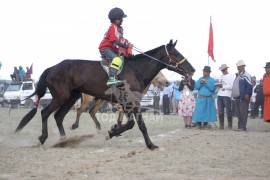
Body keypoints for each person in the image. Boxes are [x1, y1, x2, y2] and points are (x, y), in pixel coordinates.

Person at [98, 7, 133, 86]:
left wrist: (128, 45)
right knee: (117, 59)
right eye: (122, 18)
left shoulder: (118, 29)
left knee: (121, 59)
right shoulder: (113, 27)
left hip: (111, 49)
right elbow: (116, 41)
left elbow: (121, 40)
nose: (123, 20)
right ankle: (111, 78)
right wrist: (126, 47)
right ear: (117, 20)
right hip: (105, 48)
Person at [231, 60, 252, 131]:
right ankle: (240, 127)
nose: (238, 67)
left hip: (243, 96)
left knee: (243, 112)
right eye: (238, 66)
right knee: (238, 112)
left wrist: (247, 94)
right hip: (237, 97)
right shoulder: (238, 75)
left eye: (240, 66)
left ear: (244, 66)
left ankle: (243, 127)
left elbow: (250, 85)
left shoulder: (246, 75)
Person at [216, 64, 235, 130]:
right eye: (222, 70)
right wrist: (218, 86)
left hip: (227, 95)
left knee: (228, 111)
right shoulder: (221, 76)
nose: (222, 71)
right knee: (220, 111)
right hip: (220, 94)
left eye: (223, 70)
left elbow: (232, 87)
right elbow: (219, 84)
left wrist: (223, 86)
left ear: (226, 69)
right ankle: (221, 125)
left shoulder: (231, 76)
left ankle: (230, 125)